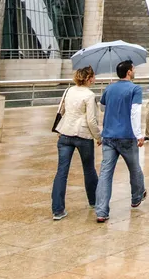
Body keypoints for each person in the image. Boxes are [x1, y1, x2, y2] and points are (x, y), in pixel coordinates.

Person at [95, 60, 146, 223]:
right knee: (134, 168)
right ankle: (136, 197)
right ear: (129, 72)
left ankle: (101, 211)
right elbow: (135, 112)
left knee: (105, 174)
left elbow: (102, 106)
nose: (134, 71)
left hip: (109, 136)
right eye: (133, 69)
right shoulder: (135, 89)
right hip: (127, 136)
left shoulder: (109, 88)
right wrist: (139, 134)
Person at [51, 66, 101, 221]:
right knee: (89, 170)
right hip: (83, 135)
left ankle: (58, 210)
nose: (94, 79)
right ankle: (94, 201)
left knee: (61, 172)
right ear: (88, 78)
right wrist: (98, 136)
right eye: (93, 77)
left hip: (65, 133)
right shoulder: (89, 95)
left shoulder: (68, 91)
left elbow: (62, 110)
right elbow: (91, 121)